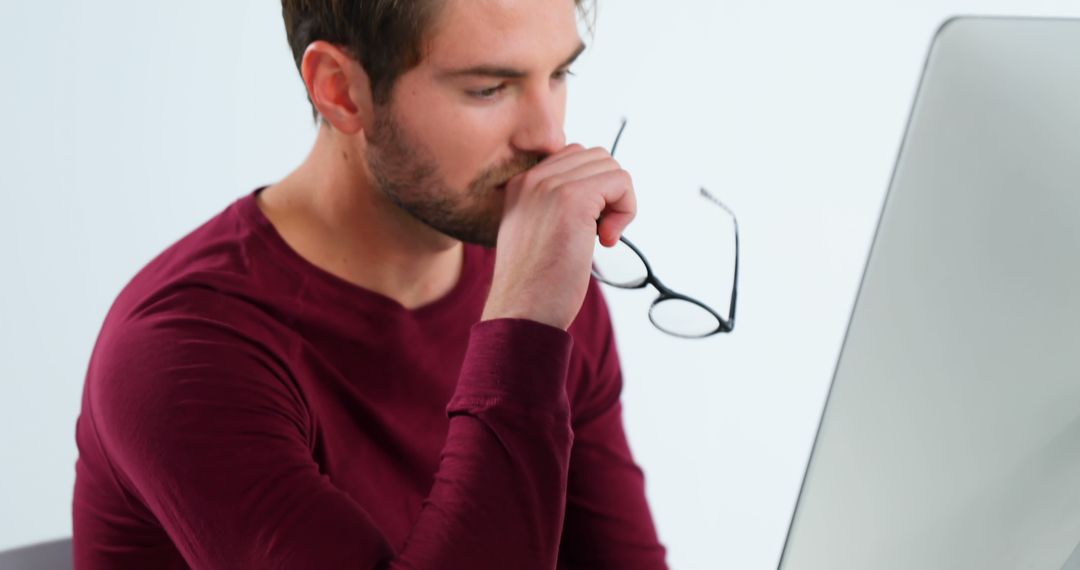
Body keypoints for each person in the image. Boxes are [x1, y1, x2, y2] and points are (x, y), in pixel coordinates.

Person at [72, 0, 668, 567]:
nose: (549, 138)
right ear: (340, 89)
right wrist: (524, 326)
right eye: (488, 88)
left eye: (559, 72)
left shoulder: (538, 288)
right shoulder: (182, 349)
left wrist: (529, 316)